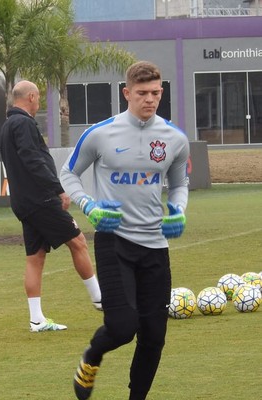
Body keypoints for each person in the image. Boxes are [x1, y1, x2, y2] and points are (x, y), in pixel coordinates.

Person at [59, 61, 189, 400]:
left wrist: (178, 210)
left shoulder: (174, 139)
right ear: (126, 93)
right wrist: (89, 206)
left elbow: (179, 185)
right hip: (114, 241)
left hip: (156, 247)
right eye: (142, 93)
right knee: (122, 327)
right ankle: (92, 355)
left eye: (156, 93)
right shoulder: (101, 133)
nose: (150, 99)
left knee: (154, 336)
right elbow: (68, 173)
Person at [0, 81, 102, 333]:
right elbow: (32, 159)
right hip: (40, 199)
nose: (39, 103)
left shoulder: (7, 125)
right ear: (31, 97)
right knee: (78, 241)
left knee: (35, 257)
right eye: (38, 98)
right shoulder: (23, 123)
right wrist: (57, 188)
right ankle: (101, 300)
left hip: (23, 201)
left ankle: (36, 320)